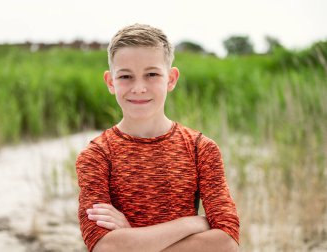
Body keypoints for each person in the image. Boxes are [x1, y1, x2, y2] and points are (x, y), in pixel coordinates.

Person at [76, 23, 239, 252]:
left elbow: (227, 243)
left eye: (152, 74)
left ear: (171, 79)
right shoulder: (97, 155)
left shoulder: (200, 149)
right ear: (110, 82)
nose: (139, 88)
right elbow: (105, 247)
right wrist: (191, 223)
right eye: (126, 76)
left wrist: (131, 237)